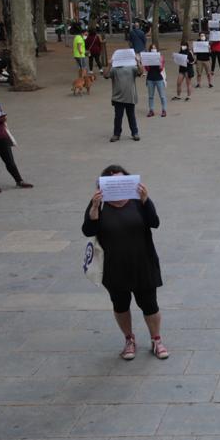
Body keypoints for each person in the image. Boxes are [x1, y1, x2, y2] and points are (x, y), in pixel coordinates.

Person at [82, 164, 168, 361]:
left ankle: (156, 339)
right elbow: (88, 230)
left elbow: (154, 222)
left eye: (121, 180)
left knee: (150, 304)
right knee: (120, 305)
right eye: (112, 182)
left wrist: (146, 200)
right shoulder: (100, 204)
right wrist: (94, 207)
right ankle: (129, 339)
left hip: (142, 263)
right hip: (114, 267)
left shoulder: (138, 202)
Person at [103, 50, 142, 142]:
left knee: (131, 116)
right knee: (118, 117)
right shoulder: (114, 69)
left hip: (130, 96)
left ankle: (135, 133)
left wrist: (138, 62)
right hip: (118, 98)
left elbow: (141, 72)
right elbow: (105, 75)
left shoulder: (132, 68)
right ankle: (116, 134)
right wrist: (109, 65)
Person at [144, 45, 167, 118]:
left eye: (154, 48)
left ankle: (164, 110)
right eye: (152, 48)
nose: (153, 49)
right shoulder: (147, 57)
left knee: (162, 96)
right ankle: (151, 110)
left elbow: (161, 68)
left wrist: (160, 62)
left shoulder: (160, 56)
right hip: (150, 78)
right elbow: (147, 69)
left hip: (159, 78)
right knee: (151, 96)